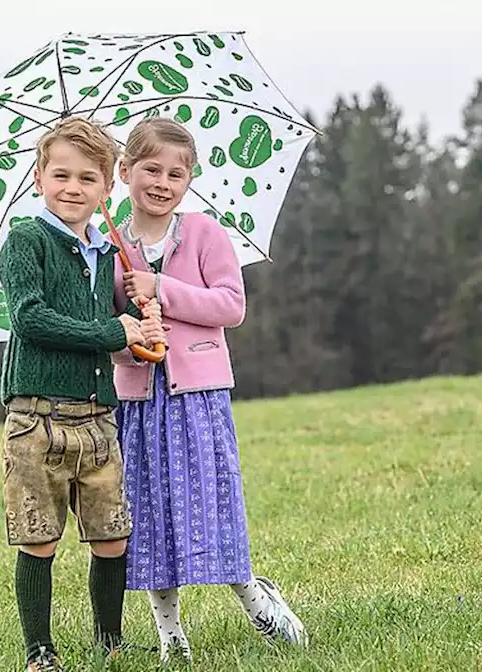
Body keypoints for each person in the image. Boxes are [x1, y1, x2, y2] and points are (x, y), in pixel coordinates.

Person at [109, 116, 308, 664]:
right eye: (151, 169)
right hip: (138, 403)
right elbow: (108, 332)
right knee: (148, 514)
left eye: (177, 173)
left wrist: (162, 290)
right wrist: (133, 341)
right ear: (125, 172)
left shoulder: (203, 234)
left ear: (189, 181)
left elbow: (230, 305)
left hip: (197, 397)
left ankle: (254, 598)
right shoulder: (110, 248)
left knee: (211, 503)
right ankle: (171, 634)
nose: (162, 182)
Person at [0, 115, 165, 672]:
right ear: (39, 177)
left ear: (106, 187)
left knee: (111, 535)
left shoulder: (103, 252)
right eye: (60, 175)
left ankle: (109, 641)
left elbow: (100, 328)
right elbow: (31, 319)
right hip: (38, 417)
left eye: (87, 179)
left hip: (99, 417)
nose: (73, 188)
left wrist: (134, 328)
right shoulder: (27, 239)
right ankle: (40, 651)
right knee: (39, 537)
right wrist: (112, 330)